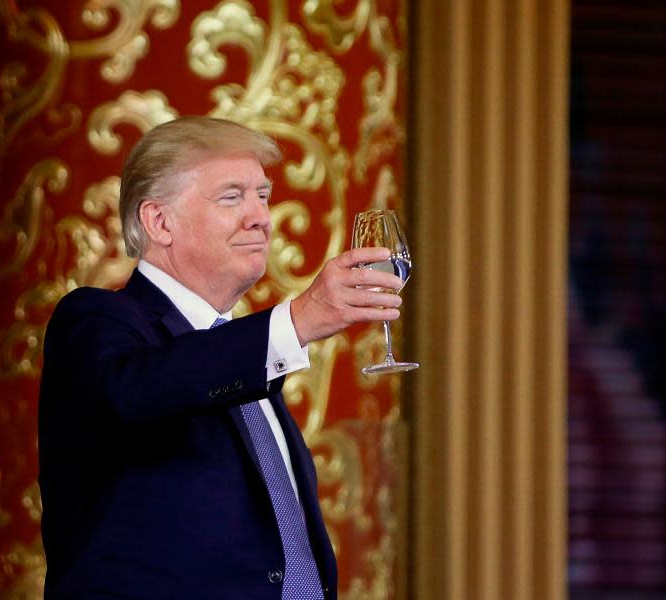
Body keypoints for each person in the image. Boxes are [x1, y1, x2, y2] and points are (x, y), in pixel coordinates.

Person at [38, 116, 404, 599]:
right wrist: (298, 319)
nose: (260, 216)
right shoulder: (97, 321)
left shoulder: (242, 356)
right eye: (232, 197)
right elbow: (141, 390)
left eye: (263, 195)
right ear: (158, 222)